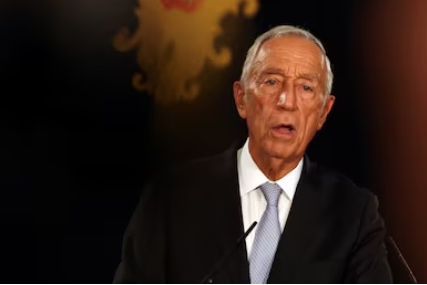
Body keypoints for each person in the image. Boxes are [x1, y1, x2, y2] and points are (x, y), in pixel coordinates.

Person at [113, 25, 393, 283]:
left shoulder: (353, 214)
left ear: (323, 112)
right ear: (241, 98)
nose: (287, 101)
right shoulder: (170, 198)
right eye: (271, 82)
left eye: (306, 88)